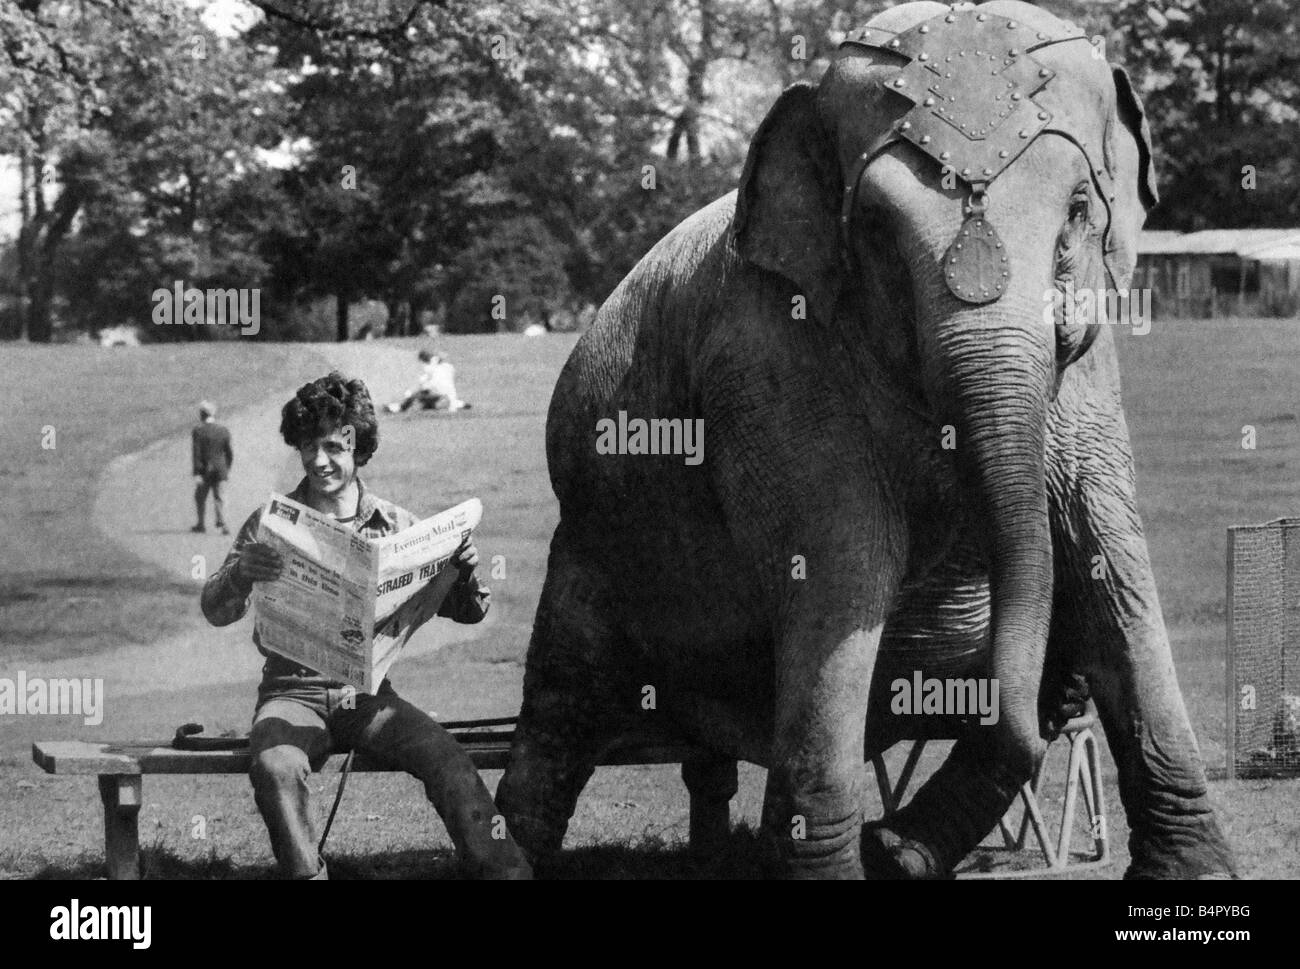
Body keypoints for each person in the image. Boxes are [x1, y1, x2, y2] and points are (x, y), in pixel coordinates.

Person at [200, 372, 530, 880]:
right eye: (308, 446)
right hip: (292, 695)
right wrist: (241, 574)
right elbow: (216, 611)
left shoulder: (397, 525)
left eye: (333, 446)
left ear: (360, 449)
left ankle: (506, 873)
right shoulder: (270, 521)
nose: (318, 460)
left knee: (447, 759)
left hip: (371, 698)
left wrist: (463, 563)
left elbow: (471, 612)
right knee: (276, 767)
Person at [191, 400, 233, 535]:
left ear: (202, 414)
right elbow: (229, 453)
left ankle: (201, 524)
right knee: (220, 497)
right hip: (221, 469)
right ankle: (223, 524)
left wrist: (197, 472)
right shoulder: (223, 430)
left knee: (200, 497)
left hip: (205, 470)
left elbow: (196, 453)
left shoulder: (198, 431)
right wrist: (227, 469)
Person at [386, 349, 471, 413]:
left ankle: (398, 408)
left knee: (417, 394)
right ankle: (457, 404)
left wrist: (408, 393)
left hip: (437, 393)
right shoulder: (449, 367)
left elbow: (421, 384)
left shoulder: (428, 369)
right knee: (428, 397)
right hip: (446, 395)